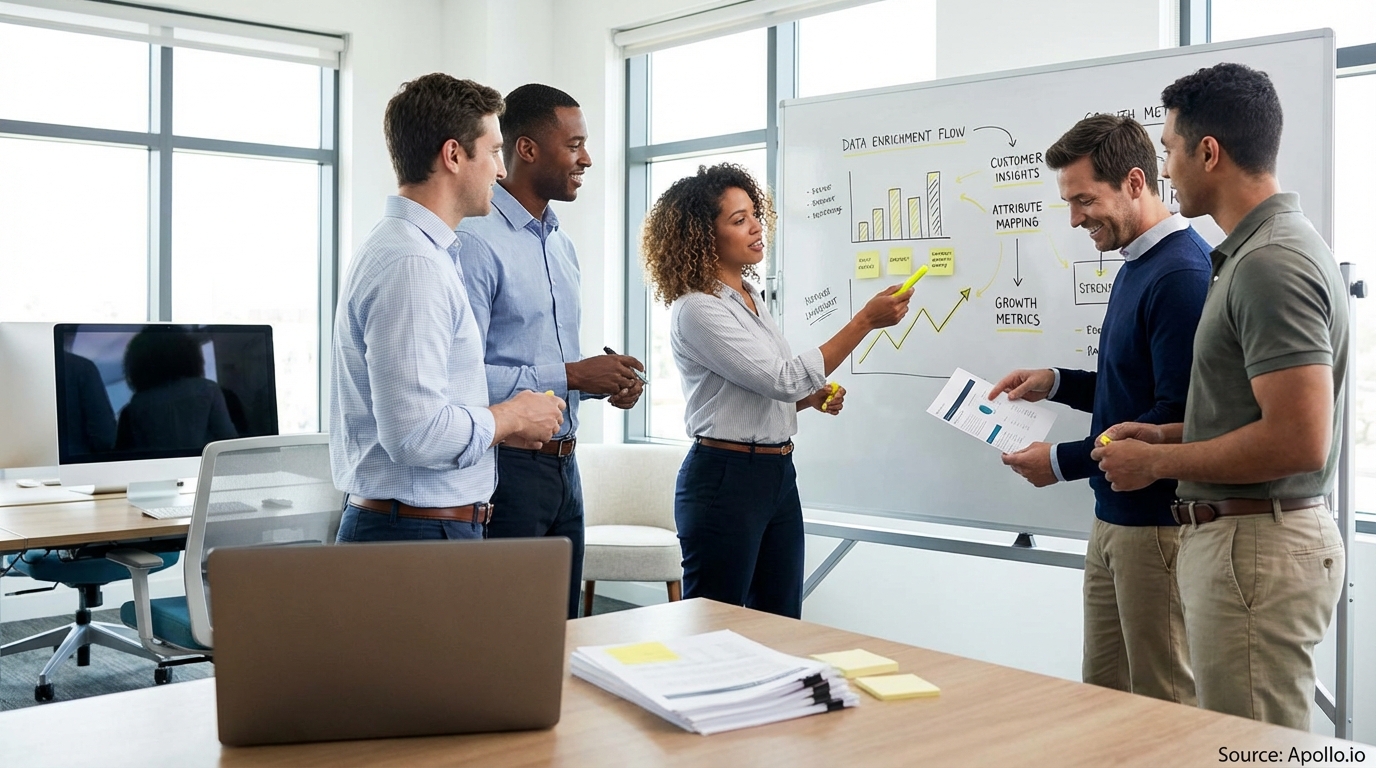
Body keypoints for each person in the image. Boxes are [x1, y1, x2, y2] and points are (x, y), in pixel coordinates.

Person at [1092, 62, 1348, 729]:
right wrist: (1166, 437)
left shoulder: (1271, 263)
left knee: (1250, 750)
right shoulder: (1254, 254)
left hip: (1257, 548)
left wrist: (1156, 464)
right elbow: (1251, 415)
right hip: (1244, 545)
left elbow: (1297, 440)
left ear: (1210, 152)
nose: (1168, 168)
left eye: (1172, 148)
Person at [990, 115, 1210, 704]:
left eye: (1084, 200)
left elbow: (1173, 420)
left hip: (1157, 529)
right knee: (1103, 697)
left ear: (1135, 182)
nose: (1075, 218)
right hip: (1114, 520)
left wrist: (1061, 462)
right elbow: (1129, 392)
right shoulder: (1140, 263)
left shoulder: (1182, 274)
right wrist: (1056, 382)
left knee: (1161, 705)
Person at [640, 163, 912, 619]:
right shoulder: (698, 310)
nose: (756, 228)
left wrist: (807, 399)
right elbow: (783, 378)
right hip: (725, 478)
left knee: (781, 620)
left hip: (776, 474)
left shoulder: (748, 297)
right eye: (738, 219)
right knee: (715, 625)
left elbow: (765, 388)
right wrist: (864, 322)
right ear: (704, 236)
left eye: (754, 215)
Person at [330, 73, 565, 545]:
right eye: (495, 151)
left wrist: (495, 428)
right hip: (415, 534)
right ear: (454, 155)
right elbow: (416, 433)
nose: (502, 171)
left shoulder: (416, 251)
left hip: (421, 528)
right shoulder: (413, 265)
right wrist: (510, 417)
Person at [457, 84, 644, 619]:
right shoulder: (475, 242)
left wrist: (606, 383)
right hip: (505, 471)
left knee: (564, 637)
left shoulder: (561, 244)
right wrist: (571, 376)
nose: (586, 159)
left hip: (566, 470)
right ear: (527, 149)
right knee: (508, 638)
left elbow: (560, 367)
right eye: (575, 145)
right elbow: (463, 378)